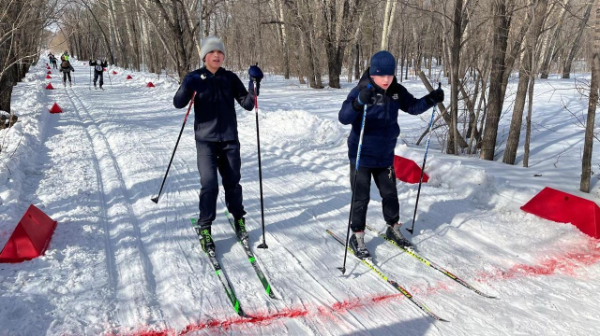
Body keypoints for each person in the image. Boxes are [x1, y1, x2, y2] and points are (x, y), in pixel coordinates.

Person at [338, 50, 444, 259]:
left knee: (390, 193)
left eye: (390, 74)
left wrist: (431, 99)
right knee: (361, 197)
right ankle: (357, 235)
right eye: (381, 75)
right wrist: (358, 102)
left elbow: (413, 107)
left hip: (385, 154)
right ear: (373, 74)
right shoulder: (361, 90)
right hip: (362, 154)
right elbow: (344, 117)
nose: (386, 79)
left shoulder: (396, 91)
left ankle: (393, 227)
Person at [172, 36, 263, 254]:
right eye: (212, 52)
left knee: (233, 182)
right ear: (205, 56)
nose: (216, 55)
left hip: (230, 140)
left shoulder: (229, 78)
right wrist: (186, 85)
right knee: (209, 184)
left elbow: (248, 104)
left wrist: (254, 84)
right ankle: (205, 227)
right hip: (206, 142)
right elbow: (178, 103)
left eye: (220, 52)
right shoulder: (195, 77)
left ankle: (239, 219)